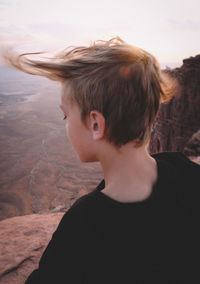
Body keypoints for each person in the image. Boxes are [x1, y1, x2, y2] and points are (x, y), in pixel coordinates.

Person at [5, 37, 200, 283]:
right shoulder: (187, 173)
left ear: (96, 124)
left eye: (66, 115)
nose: (65, 124)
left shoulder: (84, 227)